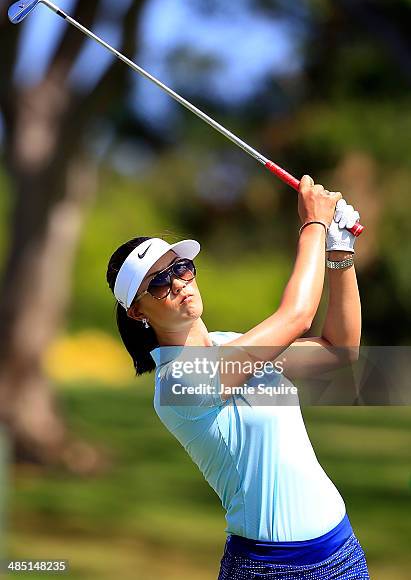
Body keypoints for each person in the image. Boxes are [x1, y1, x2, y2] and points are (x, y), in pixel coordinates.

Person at [106, 175, 370, 579]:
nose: (178, 283)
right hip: (271, 570)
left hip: (342, 552)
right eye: (158, 283)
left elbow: (339, 350)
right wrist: (314, 225)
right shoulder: (179, 382)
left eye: (181, 268)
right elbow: (296, 317)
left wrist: (339, 251)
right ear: (137, 312)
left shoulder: (230, 342)